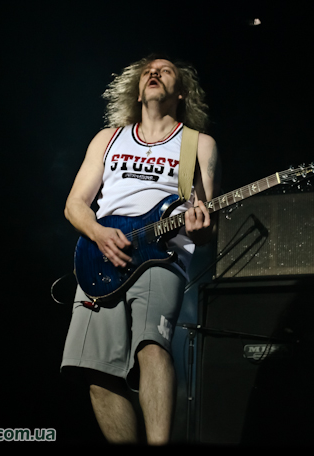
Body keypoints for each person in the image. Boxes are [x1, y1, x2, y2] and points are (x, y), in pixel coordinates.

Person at [60, 53, 221, 445]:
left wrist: (200, 229)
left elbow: (206, 221)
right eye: (148, 70)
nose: (154, 73)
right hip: (101, 253)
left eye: (165, 71)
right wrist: (98, 233)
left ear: (181, 92)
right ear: (136, 90)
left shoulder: (198, 144)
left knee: (152, 346)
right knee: (96, 370)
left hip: (163, 255)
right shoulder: (108, 138)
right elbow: (75, 204)